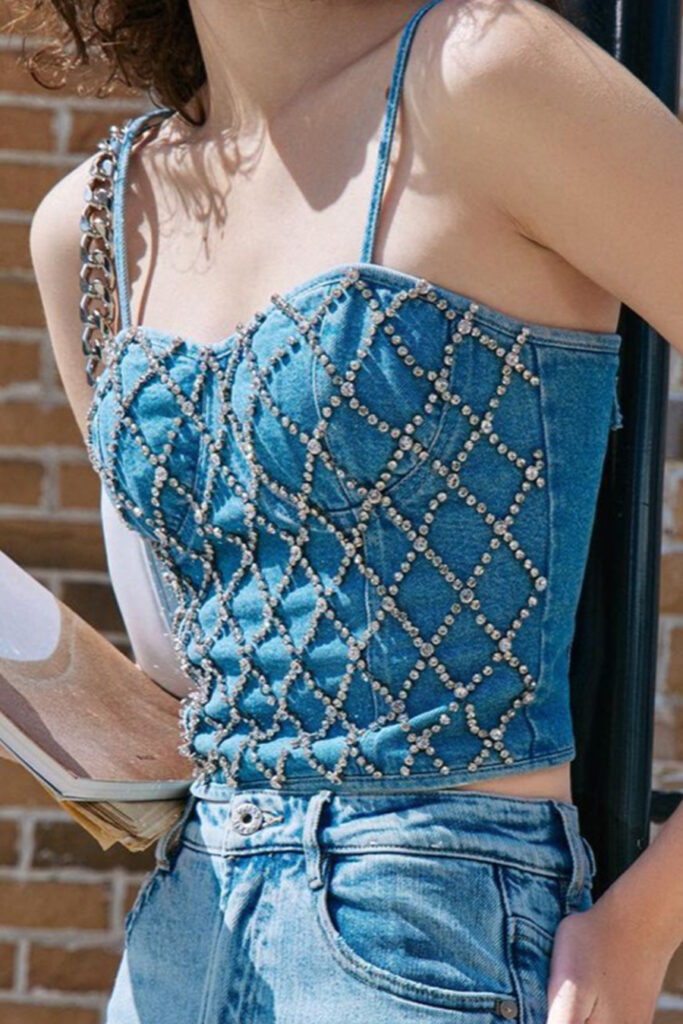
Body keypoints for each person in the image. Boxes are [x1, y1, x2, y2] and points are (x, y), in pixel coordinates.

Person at [13, 0, 683, 1020]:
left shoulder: (484, 74)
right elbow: (191, 662)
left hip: (430, 923)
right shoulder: (89, 226)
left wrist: (641, 927)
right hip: (179, 932)